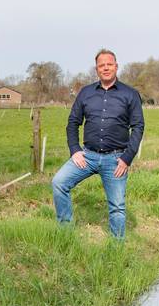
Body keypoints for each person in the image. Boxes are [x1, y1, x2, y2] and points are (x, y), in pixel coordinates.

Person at [51, 48, 144, 238]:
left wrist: (127, 158)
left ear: (116, 66)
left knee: (117, 206)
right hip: (87, 156)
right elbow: (72, 123)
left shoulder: (130, 94)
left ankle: (116, 247)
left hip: (116, 159)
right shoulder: (85, 93)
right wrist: (75, 150)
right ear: (97, 69)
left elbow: (138, 127)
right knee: (59, 182)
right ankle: (65, 232)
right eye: (102, 65)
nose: (106, 68)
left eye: (109, 64)